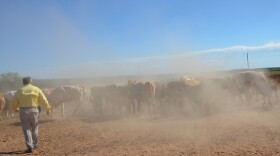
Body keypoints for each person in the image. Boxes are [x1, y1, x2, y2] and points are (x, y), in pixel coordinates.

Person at [12, 76, 52, 153]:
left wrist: (15, 109)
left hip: (23, 111)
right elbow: (44, 100)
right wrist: (48, 108)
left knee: (26, 129)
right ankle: (35, 144)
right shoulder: (36, 89)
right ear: (31, 82)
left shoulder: (19, 91)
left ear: (23, 83)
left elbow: (13, 103)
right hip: (34, 110)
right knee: (35, 128)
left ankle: (30, 146)